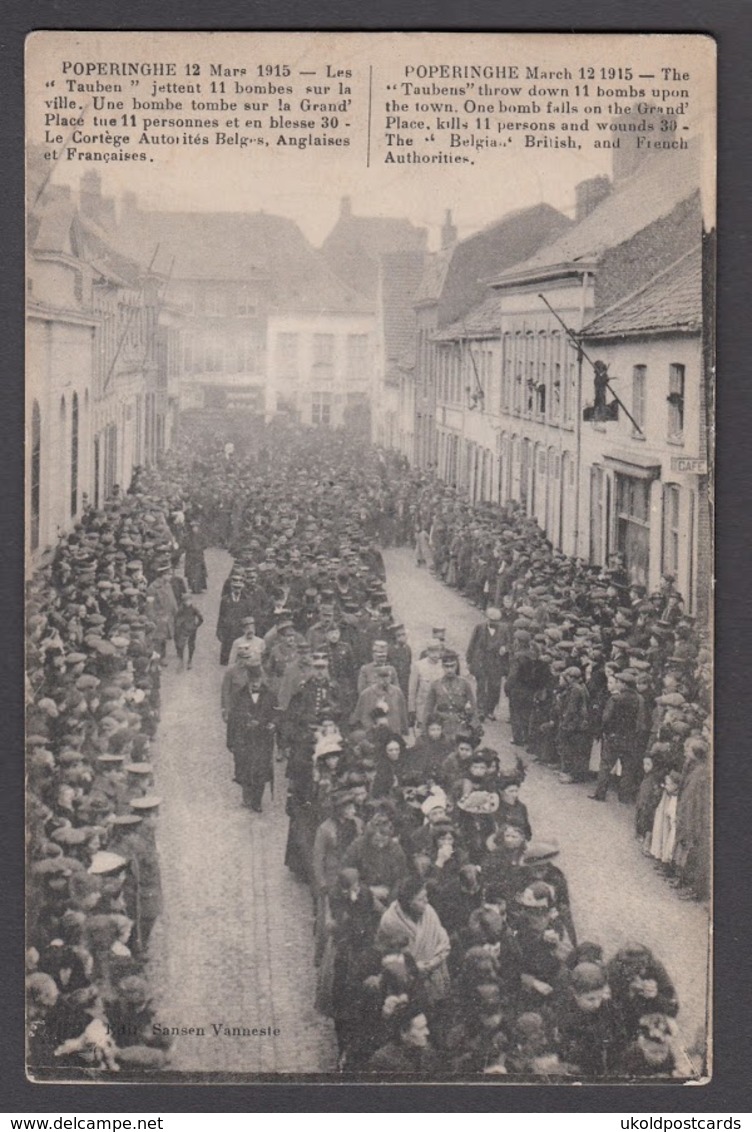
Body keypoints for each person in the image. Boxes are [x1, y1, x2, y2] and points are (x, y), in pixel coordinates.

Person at [377, 875, 451, 1006]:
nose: (426, 901)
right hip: (406, 984)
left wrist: (432, 962)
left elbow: (443, 940)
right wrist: (415, 967)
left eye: (426, 896)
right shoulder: (390, 922)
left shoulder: (429, 912)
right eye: (421, 899)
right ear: (409, 903)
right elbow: (388, 956)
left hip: (434, 973)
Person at [224, 661, 277, 811]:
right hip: (244, 739)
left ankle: (257, 801)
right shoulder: (238, 696)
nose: (256, 684)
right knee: (244, 769)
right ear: (248, 680)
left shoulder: (270, 695)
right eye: (253, 681)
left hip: (263, 739)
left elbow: (277, 714)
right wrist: (230, 742)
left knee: (261, 769)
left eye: (258, 681)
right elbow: (232, 719)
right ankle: (247, 795)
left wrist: (273, 723)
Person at [466, 607, 509, 721]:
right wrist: (469, 660)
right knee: (481, 686)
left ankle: (489, 710)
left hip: (496, 662)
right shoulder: (480, 628)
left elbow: (510, 644)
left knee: (494, 687)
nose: (493, 623)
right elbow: (472, 644)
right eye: (491, 620)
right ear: (487, 619)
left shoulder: (505, 629)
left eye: (496, 621)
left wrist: (505, 648)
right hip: (482, 661)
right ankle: (480, 710)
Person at [173, 594, 204, 672]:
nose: (188, 602)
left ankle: (190, 660)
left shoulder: (194, 609)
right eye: (186, 601)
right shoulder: (181, 609)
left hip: (191, 630)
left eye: (189, 600)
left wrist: (196, 626)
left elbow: (201, 618)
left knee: (191, 645)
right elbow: (176, 618)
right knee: (181, 644)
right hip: (183, 629)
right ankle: (181, 661)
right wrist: (178, 626)